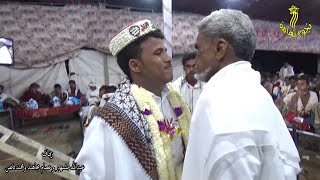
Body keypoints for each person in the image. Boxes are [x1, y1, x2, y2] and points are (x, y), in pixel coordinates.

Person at [182, 9, 300, 180]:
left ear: (220, 48)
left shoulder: (223, 99)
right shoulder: (257, 92)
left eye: (199, 50)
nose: (196, 60)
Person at [76, 19, 191, 180]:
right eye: (158, 53)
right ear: (135, 66)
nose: (168, 58)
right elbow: (89, 175)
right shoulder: (110, 121)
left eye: (165, 51)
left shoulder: (175, 100)